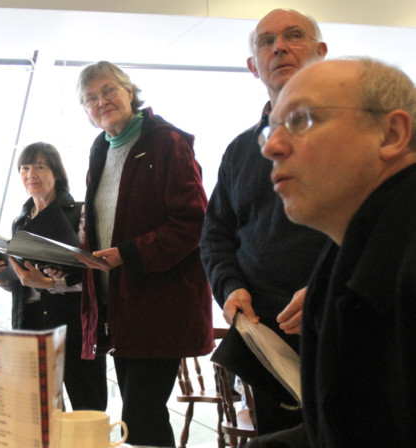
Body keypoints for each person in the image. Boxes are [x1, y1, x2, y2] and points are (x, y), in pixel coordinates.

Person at [254, 57, 416, 447]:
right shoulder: (343, 259)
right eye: (270, 129)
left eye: (299, 120)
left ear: (391, 134)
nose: (272, 148)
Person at [199, 8, 329, 434]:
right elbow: (214, 236)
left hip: (344, 327)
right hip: (266, 342)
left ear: (320, 53)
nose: (279, 47)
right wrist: (230, 287)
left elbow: (386, 231)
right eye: (266, 41)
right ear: (253, 66)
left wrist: (330, 287)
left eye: (294, 36)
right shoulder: (239, 152)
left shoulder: (354, 139)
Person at [74, 61, 214, 447]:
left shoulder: (166, 142)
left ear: (129, 92)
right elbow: (105, 222)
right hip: (116, 308)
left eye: (108, 91)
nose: (101, 102)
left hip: (158, 304)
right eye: (90, 99)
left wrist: (129, 254)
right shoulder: (100, 148)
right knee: (142, 417)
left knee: (141, 415)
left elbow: (193, 221)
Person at [0, 142, 107, 411]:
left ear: (56, 174)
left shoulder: (81, 212)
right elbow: (24, 282)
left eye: (39, 167)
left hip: (74, 324)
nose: (31, 174)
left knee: (89, 408)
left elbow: (94, 274)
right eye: (25, 168)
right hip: (30, 325)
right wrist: (1, 276)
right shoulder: (21, 220)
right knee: (41, 415)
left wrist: (50, 283)